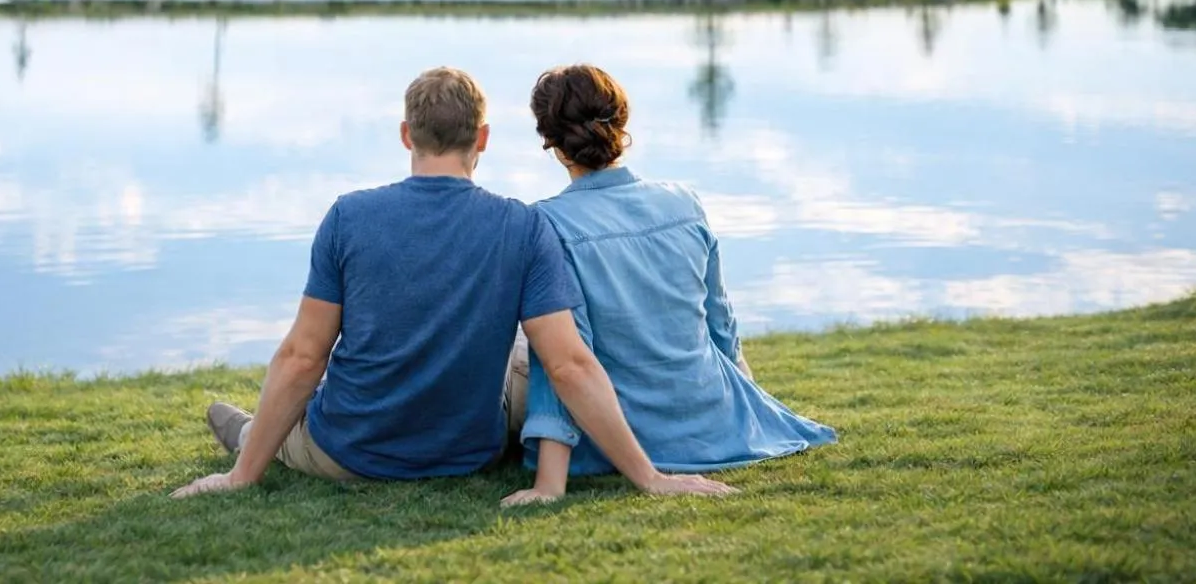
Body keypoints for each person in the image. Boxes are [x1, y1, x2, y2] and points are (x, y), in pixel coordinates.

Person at [170, 66, 734, 501]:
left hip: (351, 452)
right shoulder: (523, 224)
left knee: (299, 404)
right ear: (483, 138)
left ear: (405, 133)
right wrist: (649, 477)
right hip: (472, 452)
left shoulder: (349, 216)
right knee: (527, 350)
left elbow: (301, 357)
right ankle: (249, 432)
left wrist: (244, 478)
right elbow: (569, 364)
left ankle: (247, 441)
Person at [504, 64, 837, 507]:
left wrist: (550, 484)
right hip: (715, 423)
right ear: (621, 124)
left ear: (550, 141)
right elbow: (721, 324)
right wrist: (742, 417)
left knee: (528, 344)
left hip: (620, 436)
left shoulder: (545, 223)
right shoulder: (685, 201)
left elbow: (566, 362)